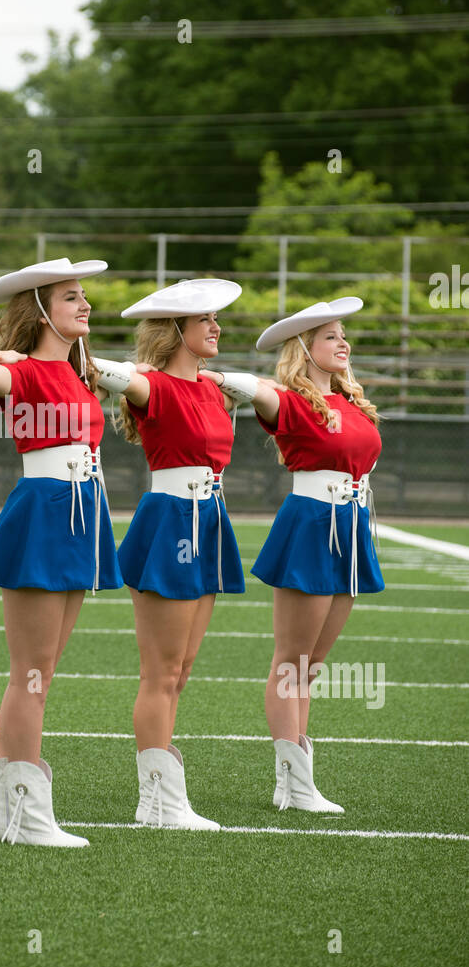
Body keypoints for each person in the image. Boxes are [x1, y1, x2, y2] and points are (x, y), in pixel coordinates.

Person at [0, 258, 123, 848]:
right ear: (42, 310)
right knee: (32, 672)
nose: (86, 305)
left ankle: (11, 813)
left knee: (46, 671)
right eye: (72, 298)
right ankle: (23, 812)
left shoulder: (79, 373)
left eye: (84, 296)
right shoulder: (21, 373)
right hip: (45, 511)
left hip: (82, 511)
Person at [91, 279, 250, 830]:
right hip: (169, 520)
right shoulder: (150, 385)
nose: (216, 327)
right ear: (175, 330)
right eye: (204, 319)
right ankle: (156, 800)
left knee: (181, 670)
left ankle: (164, 795)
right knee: (160, 671)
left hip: (209, 519)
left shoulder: (211, 386)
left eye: (215, 319)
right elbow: (96, 368)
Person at [250, 297, 383, 813]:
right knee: (291, 661)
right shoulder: (289, 400)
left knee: (314, 665)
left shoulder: (350, 402)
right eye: (330, 336)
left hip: (350, 527)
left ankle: (298, 780)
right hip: (310, 526)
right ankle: (294, 783)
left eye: (343, 334)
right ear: (304, 348)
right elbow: (253, 388)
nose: (343, 343)